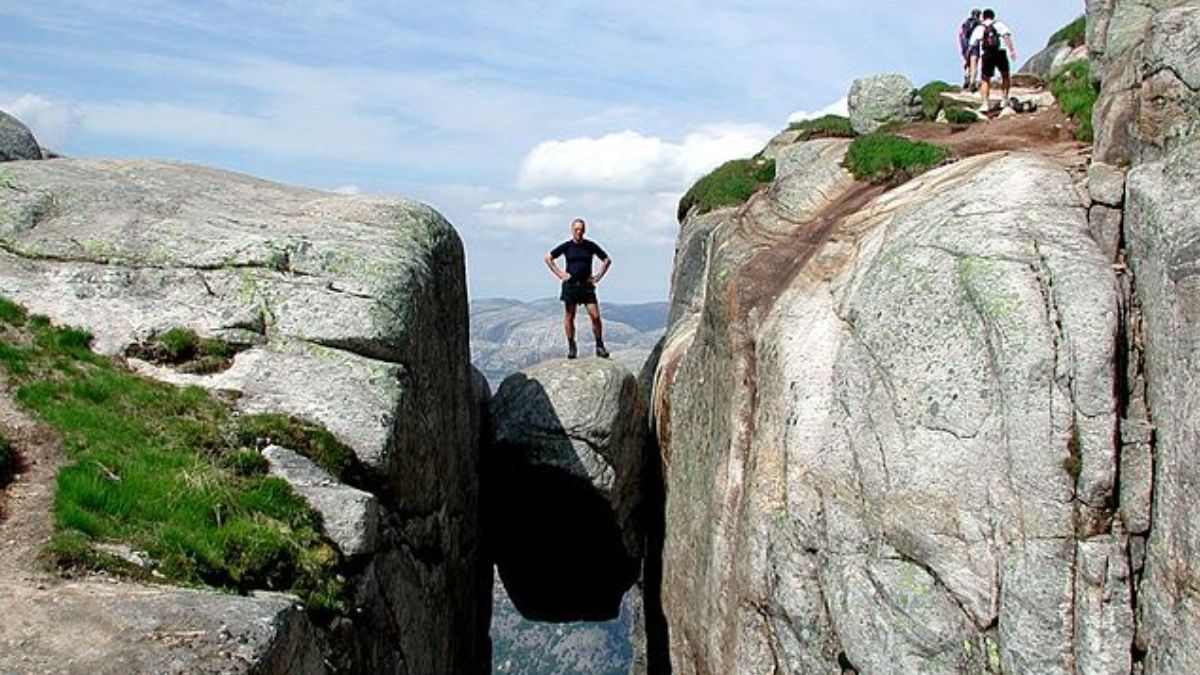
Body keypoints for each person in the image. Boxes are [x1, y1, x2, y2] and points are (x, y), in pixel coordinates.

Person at [544, 218, 612, 359]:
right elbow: (548, 258)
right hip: (571, 286)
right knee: (569, 316)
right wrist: (560, 274)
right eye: (576, 229)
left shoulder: (590, 246)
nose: (578, 232)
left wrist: (598, 277)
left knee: (595, 316)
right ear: (572, 230)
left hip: (587, 286)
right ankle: (571, 347)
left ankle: (599, 346)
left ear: (584, 230)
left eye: (581, 229)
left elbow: (607, 260)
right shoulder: (567, 246)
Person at [969, 9, 1018, 113]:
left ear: (983, 17)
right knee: (1005, 75)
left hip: (987, 54)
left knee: (985, 79)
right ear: (993, 16)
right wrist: (1012, 51)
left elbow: (972, 43)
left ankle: (985, 104)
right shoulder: (999, 24)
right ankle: (1004, 99)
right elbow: (1006, 37)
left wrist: (970, 59)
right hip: (999, 53)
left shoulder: (980, 28)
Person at [958, 9, 983, 91]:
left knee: (968, 63)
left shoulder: (965, 23)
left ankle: (966, 77)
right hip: (974, 45)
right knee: (974, 64)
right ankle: (972, 82)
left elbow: (961, 35)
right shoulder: (979, 23)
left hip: (965, 46)